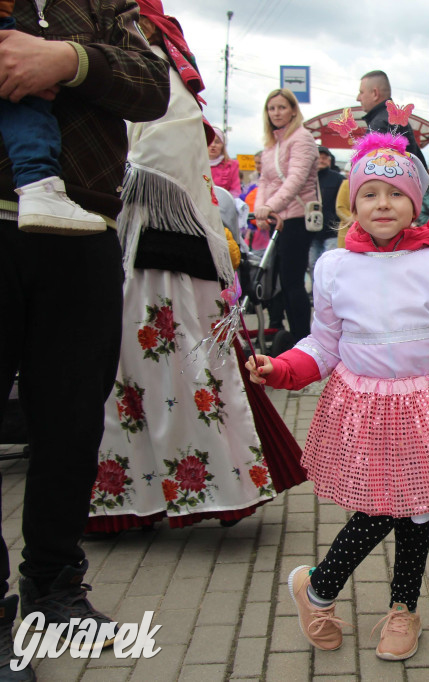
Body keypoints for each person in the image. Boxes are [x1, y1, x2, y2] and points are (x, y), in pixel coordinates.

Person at [244, 131, 429, 662]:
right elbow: (323, 343)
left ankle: (396, 608)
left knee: (416, 512)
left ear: (415, 200)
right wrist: (283, 367)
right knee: (386, 508)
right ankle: (319, 587)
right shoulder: (337, 267)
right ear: (354, 203)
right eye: (369, 194)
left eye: (394, 193)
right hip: (364, 411)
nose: (382, 204)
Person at [84, 0, 302, 534]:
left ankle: (187, 489)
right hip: (145, 240)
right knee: (143, 366)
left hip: (154, 245)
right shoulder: (125, 39)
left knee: (162, 360)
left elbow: (165, 147)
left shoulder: (142, 43)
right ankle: (150, 491)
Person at [0, 0, 170, 676]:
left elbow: (152, 85)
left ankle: (53, 588)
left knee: (72, 419)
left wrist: (68, 60)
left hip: (82, 229)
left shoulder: (101, 4)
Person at [0, 1, 106, 236]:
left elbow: (154, 87)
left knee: (23, 95)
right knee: (24, 98)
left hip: (95, 212)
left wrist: (70, 60)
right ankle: (39, 184)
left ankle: (39, 185)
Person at [255, 88, 318, 340]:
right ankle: (293, 337)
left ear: (293, 110)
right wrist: (261, 212)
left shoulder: (301, 138)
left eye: (282, 107)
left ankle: (303, 337)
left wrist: (269, 207)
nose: (276, 113)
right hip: (278, 219)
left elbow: (296, 179)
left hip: (297, 218)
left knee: (293, 281)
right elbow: (263, 181)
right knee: (282, 280)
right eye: (272, 108)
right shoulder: (272, 145)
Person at [356, 70, 427, 169]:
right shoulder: (394, 119)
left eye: (361, 92)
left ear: (375, 93)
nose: (358, 98)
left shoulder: (380, 123)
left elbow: (369, 168)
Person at [308, 145, 343, 278]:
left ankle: (331, 292)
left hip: (331, 230)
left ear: (329, 160)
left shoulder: (338, 179)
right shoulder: (306, 179)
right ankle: (316, 292)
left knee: (331, 265)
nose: (321, 160)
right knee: (312, 263)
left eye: (324, 158)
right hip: (311, 231)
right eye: (318, 158)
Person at [208, 126, 241, 197]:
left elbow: (235, 191)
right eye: (209, 141)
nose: (213, 145)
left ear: (223, 145)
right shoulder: (196, 164)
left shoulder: (232, 165)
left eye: (217, 142)